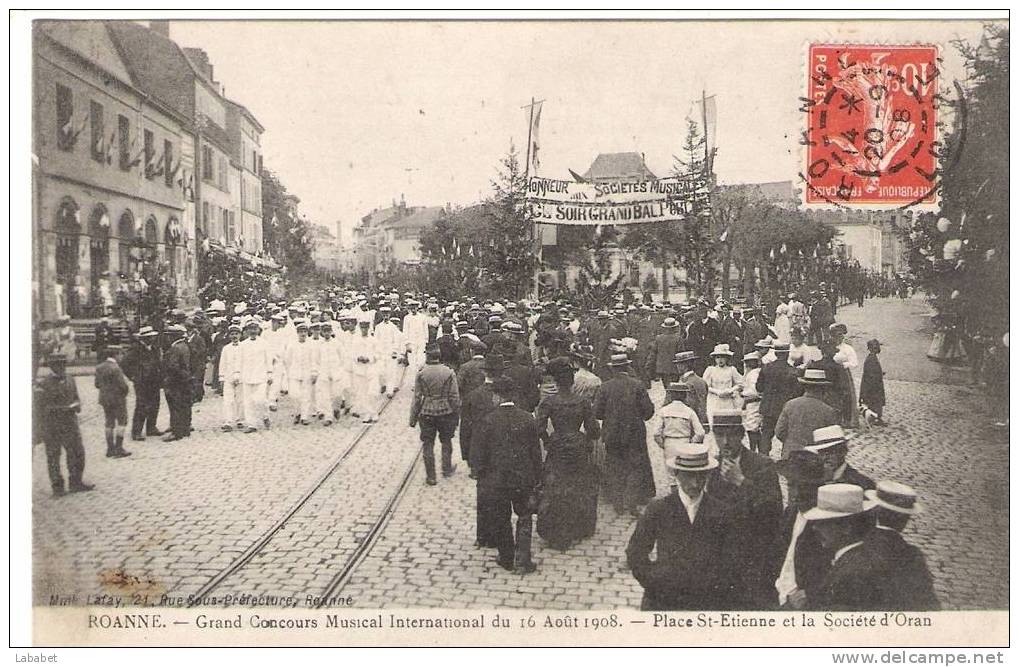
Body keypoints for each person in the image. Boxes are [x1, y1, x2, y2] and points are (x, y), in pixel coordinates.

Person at [625, 442, 743, 610]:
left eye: (701, 476)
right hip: (664, 602)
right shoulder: (659, 509)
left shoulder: (721, 512)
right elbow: (635, 553)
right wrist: (655, 583)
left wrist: (716, 589)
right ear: (676, 474)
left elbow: (732, 559)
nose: (695, 483)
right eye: (689, 475)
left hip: (706, 604)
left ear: (708, 474)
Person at [706, 409, 783, 609]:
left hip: (755, 557)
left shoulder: (763, 465)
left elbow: (773, 510)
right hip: (722, 558)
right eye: (720, 435)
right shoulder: (712, 466)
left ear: (741, 435)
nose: (725, 442)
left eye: (731, 435)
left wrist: (741, 481)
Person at [469, 376, 542, 573]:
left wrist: (479, 472)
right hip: (523, 478)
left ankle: (506, 557)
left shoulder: (487, 420)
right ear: (512, 395)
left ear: (496, 396)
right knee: (525, 516)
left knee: (501, 518)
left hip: (496, 480)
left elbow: (478, 453)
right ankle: (523, 560)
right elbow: (536, 452)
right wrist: (537, 477)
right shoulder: (528, 418)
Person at [535, 358, 601, 550]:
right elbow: (594, 430)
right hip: (577, 446)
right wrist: (586, 440)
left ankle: (553, 529)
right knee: (578, 486)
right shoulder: (582, 402)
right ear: (572, 381)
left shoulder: (549, 402)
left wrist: (548, 441)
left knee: (555, 487)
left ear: (556, 381)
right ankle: (578, 527)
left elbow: (538, 427)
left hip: (557, 446)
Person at [858, 481, 941, 610]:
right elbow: (928, 602)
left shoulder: (860, 546)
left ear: (875, 511)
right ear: (906, 520)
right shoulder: (913, 556)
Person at [592, 353, 656, 517]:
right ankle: (632, 503)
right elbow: (648, 411)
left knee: (615, 466)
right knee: (635, 467)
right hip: (635, 434)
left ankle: (618, 503)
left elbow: (597, 413)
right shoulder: (638, 385)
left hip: (612, 434)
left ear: (613, 369)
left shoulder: (605, 387)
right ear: (627, 367)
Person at [805, 484, 879, 610]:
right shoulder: (859, 557)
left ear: (847, 528)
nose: (815, 528)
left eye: (823, 523)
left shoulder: (851, 574)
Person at [773, 451, 829, 609]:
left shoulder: (826, 523)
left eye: (803, 487)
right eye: (792, 485)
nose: (796, 494)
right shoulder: (791, 512)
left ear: (817, 487)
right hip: (780, 594)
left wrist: (810, 594)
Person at [34, 353, 94, 496]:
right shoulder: (44, 384)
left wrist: (77, 405)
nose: (62, 367)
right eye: (58, 365)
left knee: (77, 452)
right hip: (52, 425)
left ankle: (75, 481)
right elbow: (41, 408)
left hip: (70, 424)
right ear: (52, 366)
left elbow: (76, 398)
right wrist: (65, 408)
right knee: (54, 455)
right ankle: (57, 486)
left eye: (63, 364)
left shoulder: (70, 379)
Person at [409, 345, 461, 485]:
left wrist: (413, 418)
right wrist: (457, 413)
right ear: (439, 356)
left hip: (427, 412)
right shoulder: (449, 373)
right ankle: (446, 468)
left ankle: (431, 476)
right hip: (445, 411)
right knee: (446, 440)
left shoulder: (421, 373)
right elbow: (454, 396)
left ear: (427, 357)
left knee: (427, 443)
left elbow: (417, 397)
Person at [774, 368, 840, 459]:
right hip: (814, 460)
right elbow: (832, 442)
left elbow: (779, 432)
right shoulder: (829, 411)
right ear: (823, 389)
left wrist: (791, 443)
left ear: (804, 386)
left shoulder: (790, 404)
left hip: (790, 455)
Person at [757, 342, 802, 456]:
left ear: (776, 353)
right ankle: (785, 458)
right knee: (786, 434)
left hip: (768, 407)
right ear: (787, 355)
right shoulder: (792, 371)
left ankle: (763, 457)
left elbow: (759, 387)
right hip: (784, 408)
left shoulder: (766, 368)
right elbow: (798, 392)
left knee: (766, 434)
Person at [122, 326, 163, 441]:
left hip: (154, 380)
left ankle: (151, 427)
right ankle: (136, 431)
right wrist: (133, 376)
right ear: (143, 338)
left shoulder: (154, 348)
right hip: (142, 382)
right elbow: (124, 363)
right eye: (149, 337)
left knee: (155, 404)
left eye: (152, 337)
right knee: (142, 405)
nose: (152, 339)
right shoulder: (135, 349)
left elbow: (157, 362)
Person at [804, 425, 875, 489]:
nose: (825, 457)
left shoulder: (861, 483)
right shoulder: (811, 480)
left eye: (830, 452)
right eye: (821, 453)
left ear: (843, 451)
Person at [93, 345, 132, 458]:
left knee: (109, 422)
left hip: (105, 398)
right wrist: (124, 392)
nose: (121, 357)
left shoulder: (99, 367)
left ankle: (110, 449)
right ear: (116, 354)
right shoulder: (116, 368)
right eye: (120, 354)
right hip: (118, 399)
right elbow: (123, 386)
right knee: (122, 421)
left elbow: (97, 384)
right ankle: (119, 448)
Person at [653, 382, 705, 463]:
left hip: (669, 443)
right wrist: (691, 443)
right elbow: (700, 433)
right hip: (684, 443)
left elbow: (656, 433)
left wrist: (662, 444)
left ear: (671, 395)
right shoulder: (689, 411)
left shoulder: (663, 411)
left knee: (670, 472)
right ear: (685, 396)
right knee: (683, 470)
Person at [239, 320, 273, 432]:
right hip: (247, 376)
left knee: (260, 399)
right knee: (248, 402)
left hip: (261, 376)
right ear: (247, 331)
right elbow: (239, 361)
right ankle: (251, 424)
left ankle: (265, 416)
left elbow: (269, 359)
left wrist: (270, 373)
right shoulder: (243, 345)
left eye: (255, 329)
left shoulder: (264, 343)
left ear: (258, 330)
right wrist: (238, 373)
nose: (253, 331)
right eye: (250, 329)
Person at [161, 324, 192, 441]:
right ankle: (185, 429)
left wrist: (168, 378)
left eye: (169, 335)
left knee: (175, 406)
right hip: (184, 380)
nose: (168, 338)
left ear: (174, 336)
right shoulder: (185, 346)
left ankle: (176, 432)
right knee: (184, 405)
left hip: (175, 381)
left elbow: (173, 366)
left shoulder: (175, 348)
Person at [703, 344, 743, 426]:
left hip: (728, 401)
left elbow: (740, 383)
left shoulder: (732, 370)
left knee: (727, 424)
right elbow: (705, 386)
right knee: (715, 425)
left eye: (722, 357)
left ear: (727, 358)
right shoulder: (710, 370)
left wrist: (731, 390)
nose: (720, 360)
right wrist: (717, 392)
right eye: (717, 357)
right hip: (714, 400)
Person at [829, 323, 860, 428]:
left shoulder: (847, 348)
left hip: (843, 374)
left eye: (839, 336)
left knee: (846, 395)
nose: (837, 338)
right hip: (832, 374)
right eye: (834, 336)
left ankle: (847, 420)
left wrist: (844, 365)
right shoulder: (830, 347)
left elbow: (854, 363)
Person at [645, 317, 685, 390]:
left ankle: (668, 397)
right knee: (674, 387)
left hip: (662, 368)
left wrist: (649, 365)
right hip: (674, 368)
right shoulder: (678, 339)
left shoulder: (659, 338)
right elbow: (681, 353)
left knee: (666, 386)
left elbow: (653, 353)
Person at [218, 324, 244, 430]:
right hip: (228, 376)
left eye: (236, 334)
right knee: (228, 400)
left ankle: (240, 420)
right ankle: (228, 421)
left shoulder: (244, 347)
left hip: (241, 377)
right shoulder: (226, 348)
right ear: (229, 336)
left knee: (241, 400)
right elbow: (222, 363)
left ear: (240, 335)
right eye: (232, 334)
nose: (234, 336)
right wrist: (221, 377)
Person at [674, 351, 708, 427]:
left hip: (688, 421)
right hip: (701, 420)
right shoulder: (701, 381)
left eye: (679, 364)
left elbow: (689, 404)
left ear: (686, 365)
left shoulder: (686, 383)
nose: (677, 366)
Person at [859, 338, 886, 426]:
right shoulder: (871, 359)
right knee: (875, 401)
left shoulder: (872, 358)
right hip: (873, 385)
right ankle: (876, 418)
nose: (876, 349)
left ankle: (876, 418)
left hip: (874, 383)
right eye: (874, 348)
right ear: (870, 348)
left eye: (876, 347)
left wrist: (879, 373)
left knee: (876, 401)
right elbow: (870, 374)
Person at [740, 352, 763, 453]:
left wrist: (744, 395)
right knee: (753, 427)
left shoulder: (754, 373)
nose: (748, 364)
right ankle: (756, 449)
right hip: (752, 403)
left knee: (752, 427)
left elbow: (755, 392)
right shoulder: (751, 373)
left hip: (754, 402)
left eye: (750, 362)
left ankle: (754, 450)